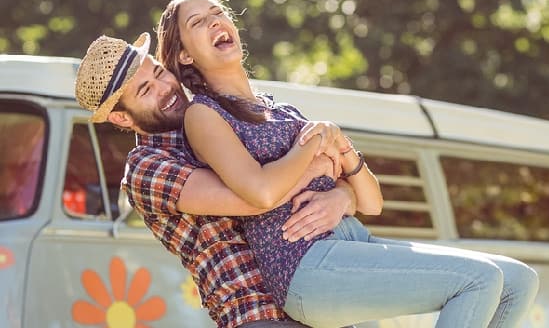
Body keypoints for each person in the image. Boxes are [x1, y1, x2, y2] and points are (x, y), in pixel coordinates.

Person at [154, 0, 540, 328]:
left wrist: (343, 183)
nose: (215, 22)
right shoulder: (204, 115)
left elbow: (371, 202)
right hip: (304, 263)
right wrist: (317, 146)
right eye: (198, 22)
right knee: (479, 279)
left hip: (355, 238)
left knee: (519, 281)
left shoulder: (283, 110)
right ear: (185, 56)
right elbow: (261, 191)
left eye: (218, 13)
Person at [74, 32, 360, 327]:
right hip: (259, 313)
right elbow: (256, 198)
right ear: (122, 118)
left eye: (159, 72)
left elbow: (345, 182)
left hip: (321, 299)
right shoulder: (146, 168)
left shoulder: (217, 112)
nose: (165, 88)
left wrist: (341, 197)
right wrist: (314, 166)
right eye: (146, 90)